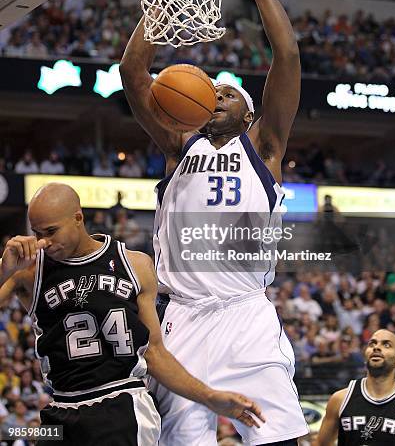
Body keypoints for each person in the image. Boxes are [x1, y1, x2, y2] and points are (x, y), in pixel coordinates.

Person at [120, 0, 308, 445]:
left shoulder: (264, 149)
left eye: (229, 93)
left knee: (279, 438)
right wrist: (163, 2)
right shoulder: (179, 145)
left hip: (248, 313)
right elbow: (132, 75)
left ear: (250, 113)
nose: (217, 94)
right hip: (184, 316)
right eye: (213, 91)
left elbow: (287, 55)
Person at [0, 183, 264, 446]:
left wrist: (208, 396)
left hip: (121, 403)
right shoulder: (29, 270)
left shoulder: (134, 264)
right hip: (60, 409)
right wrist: (4, 269)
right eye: (37, 233)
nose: (44, 241)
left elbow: (155, 353)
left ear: (78, 218)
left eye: (51, 231)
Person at [316, 329, 395, 445]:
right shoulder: (340, 399)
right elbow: (321, 444)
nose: (376, 347)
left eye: (386, 345)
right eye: (372, 343)